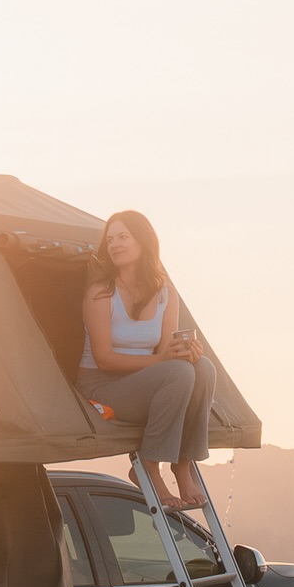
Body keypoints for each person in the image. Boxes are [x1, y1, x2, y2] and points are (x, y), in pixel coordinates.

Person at [77, 210, 217, 511]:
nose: (114, 244)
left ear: (143, 242)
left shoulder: (166, 293)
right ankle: (150, 468)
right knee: (179, 373)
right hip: (102, 386)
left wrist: (186, 352)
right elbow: (104, 360)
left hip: (145, 383)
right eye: (110, 239)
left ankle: (183, 464)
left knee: (202, 368)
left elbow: (167, 351)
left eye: (123, 237)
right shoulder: (100, 293)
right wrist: (166, 360)